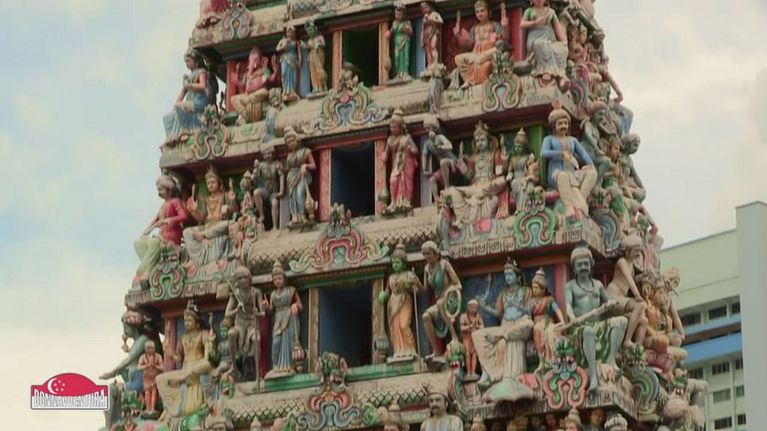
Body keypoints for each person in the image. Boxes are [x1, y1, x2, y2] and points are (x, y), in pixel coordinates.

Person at [564, 246, 627, 391]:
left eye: (586, 264)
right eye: (580, 265)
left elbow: (609, 300)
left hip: (597, 324)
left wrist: (610, 303)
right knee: (588, 331)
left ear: (591, 265)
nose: (583, 267)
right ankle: (593, 375)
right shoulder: (570, 286)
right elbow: (568, 305)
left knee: (621, 321)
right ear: (574, 267)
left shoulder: (598, 285)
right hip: (580, 327)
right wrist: (572, 317)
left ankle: (611, 360)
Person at [472, 259, 534, 402]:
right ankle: (489, 372)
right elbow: (498, 313)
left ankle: (502, 337)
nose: (507, 277)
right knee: (477, 335)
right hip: (505, 326)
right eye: (506, 274)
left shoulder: (526, 291)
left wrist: (518, 306)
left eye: (510, 274)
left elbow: (530, 311)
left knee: (527, 325)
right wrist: (485, 307)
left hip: (520, 324)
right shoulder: (503, 293)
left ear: (518, 276)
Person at [156, 301, 214, 418]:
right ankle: (171, 407)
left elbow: (207, 360)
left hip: (197, 369)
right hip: (184, 371)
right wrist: (170, 353)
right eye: (185, 320)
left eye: (189, 320)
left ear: (197, 323)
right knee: (159, 379)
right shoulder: (182, 338)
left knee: (195, 370)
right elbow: (178, 358)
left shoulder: (204, 334)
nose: (186, 323)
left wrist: (210, 344)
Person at [540, 108, 597, 218]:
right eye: (560, 123)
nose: (563, 126)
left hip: (572, 173)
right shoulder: (549, 139)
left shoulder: (572, 140)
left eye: (565, 123)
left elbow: (584, 155)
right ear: (554, 126)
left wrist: (591, 166)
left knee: (592, 173)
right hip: (557, 174)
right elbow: (544, 153)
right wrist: (561, 153)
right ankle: (578, 206)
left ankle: (579, 202)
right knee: (564, 176)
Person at [134, 175, 188, 287]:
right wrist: (146, 231)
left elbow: (184, 216)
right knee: (139, 243)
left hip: (171, 237)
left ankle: (147, 271)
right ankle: (150, 266)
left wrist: (170, 220)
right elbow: (154, 221)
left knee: (154, 242)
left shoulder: (175, 202)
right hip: (161, 237)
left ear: (169, 190)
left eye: (161, 189)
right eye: (158, 189)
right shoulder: (163, 205)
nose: (159, 192)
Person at [183, 166, 237, 271]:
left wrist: (233, 200)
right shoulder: (206, 199)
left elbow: (234, 210)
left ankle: (203, 235)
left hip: (220, 225)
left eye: (213, 182)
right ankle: (197, 259)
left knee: (229, 223)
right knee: (186, 232)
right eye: (208, 183)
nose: (210, 185)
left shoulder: (224, 195)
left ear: (219, 183)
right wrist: (193, 210)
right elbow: (202, 217)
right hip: (207, 226)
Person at [379, 243, 424, 360]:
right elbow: (387, 290)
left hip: (404, 300)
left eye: (397, 262)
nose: (395, 265)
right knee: (395, 327)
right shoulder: (391, 277)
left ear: (403, 264)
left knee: (404, 325)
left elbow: (419, 289)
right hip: (393, 302)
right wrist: (383, 295)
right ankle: (398, 351)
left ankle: (410, 349)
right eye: (393, 263)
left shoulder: (409, 275)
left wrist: (412, 286)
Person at [421, 240, 462, 359]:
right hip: (439, 302)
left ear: (435, 253)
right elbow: (424, 289)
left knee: (439, 304)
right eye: (424, 254)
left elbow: (458, 284)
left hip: (450, 299)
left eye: (428, 253)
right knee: (425, 316)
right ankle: (436, 350)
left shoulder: (444, 265)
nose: (426, 256)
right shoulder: (426, 269)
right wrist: (415, 283)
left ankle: (454, 336)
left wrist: (449, 292)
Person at [453, 0, 509, 86]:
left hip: (489, 52)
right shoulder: (474, 28)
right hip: (476, 54)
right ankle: (468, 80)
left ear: (489, 12)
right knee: (458, 59)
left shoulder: (494, 24)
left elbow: (505, 38)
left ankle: (478, 65)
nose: (480, 14)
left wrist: (505, 26)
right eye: (477, 12)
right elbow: (468, 45)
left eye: (482, 11)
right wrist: (458, 35)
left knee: (486, 61)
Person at [606, 235, 648, 348]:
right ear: (627, 251)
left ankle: (636, 349)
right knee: (641, 305)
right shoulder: (622, 262)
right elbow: (629, 279)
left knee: (644, 321)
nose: (638, 254)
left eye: (639, 251)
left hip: (622, 299)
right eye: (636, 250)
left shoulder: (631, 264)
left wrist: (644, 276)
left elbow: (632, 279)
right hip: (613, 296)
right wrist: (637, 295)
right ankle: (627, 340)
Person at [263, 261, 304, 378]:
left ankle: (291, 365)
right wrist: (266, 307)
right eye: (275, 279)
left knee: (291, 341)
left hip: (290, 317)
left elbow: (300, 305)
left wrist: (295, 305)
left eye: (279, 278)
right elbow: (271, 310)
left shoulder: (291, 290)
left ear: (284, 278)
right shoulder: (273, 294)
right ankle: (276, 365)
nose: (277, 281)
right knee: (276, 342)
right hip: (278, 319)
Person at [225, 266, 265, 381]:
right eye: (239, 278)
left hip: (252, 323)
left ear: (249, 278)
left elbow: (263, 313)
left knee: (256, 339)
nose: (242, 281)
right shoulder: (236, 294)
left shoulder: (256, 292)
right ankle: (234, 366)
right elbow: (227, 313)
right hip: (240, 324)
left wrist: (257, 313)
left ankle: (258, 372)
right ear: (236, 281)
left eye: (245, 277)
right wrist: (236, 310)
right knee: (231, 334)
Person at [163, 49, 209, 147]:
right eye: (186, 62)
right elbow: (183, 92)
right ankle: (172, 137)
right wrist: (175, 105)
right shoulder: (188, 76)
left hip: (199, 100)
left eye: (189, 61)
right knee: (168, 117)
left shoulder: (201, 72)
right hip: (190, 102)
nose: (187, 64)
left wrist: (189, 85)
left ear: (196, 61)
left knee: (180, 107)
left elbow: (203, 86)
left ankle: (185, 131)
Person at [520, 0, 568, 81]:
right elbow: (522, 24)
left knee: (562, 49)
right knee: (539, 44)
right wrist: (535, 23)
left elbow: (557, 28)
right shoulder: (529, 11)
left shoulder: (551, 12)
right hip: (535, 38)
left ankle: (557, 71)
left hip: (549, 40)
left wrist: (563, 41)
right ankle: (545, 70)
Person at [381, 109, 418, 212]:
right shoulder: (390, 139)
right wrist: (384, 155)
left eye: (395, 127)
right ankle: (393, 201)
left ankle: (407, 201)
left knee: (407, 182)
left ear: (400, 128)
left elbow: (416, 150)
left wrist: (410, 149)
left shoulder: (407, 138)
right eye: (391, 127)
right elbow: (386, 151)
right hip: (396, 163)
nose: (392, 129)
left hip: (406, 162)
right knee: (393, 180)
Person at [230, 46, 278, 123]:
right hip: (248, 96)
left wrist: (275, 71)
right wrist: (237, 74)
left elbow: (271, 79)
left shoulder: (264, 70)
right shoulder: (247, 74)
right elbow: (242, 84)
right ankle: (245, 114)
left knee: (264, 92)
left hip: (259, 94)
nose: (253, 62)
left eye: (256, 60)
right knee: (233, 99)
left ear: (261, 60)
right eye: (251, 60)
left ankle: (248, 104)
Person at [529, 268, 564, 370]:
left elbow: (557, 310)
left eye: (536, 288)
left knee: (550, 332)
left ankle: (553, 360)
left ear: (543, 289)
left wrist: (562, 321)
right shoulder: (531, 302)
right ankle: (542, 360)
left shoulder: (549, 300)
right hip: (536, 324)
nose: (534, 290)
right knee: (537, 329)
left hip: (547, 323)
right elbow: (527, 314)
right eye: (533, 287)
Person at [421, 115, 458, 204]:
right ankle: (437, 199)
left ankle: (447, 187)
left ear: (435, 128)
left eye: (431, 128)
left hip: (452, 162)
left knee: (443, 162)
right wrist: (424, 168)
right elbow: (424, 155)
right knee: (432, 180)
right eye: (427, 129)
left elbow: (450, 145)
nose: (429, 131)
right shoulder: (427, 143)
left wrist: (441, 147)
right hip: (443, 167)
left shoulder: (440, 137)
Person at [284, 127, 316, 225]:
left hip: (302, 174)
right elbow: (288, 168)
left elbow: (313, 165)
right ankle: (295, 217)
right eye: (288, 142)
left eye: (292, 141)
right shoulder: (289, 156)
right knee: (292, 197)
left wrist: (305, 165)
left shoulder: (305, 151)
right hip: (291, 177)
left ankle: (303, 216)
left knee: (300, 194)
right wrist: (281, 169)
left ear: (297, 140)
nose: (291, 143)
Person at [252, 146, 285, 230]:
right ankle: (261, 215)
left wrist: (281, 192)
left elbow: (281, 176)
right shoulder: (261, 165)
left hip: (274, 190)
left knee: (274, 203)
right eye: (265, 154)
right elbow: (255, 177)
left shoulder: (276, 164)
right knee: (256, 192)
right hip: (265, 189)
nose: (267, 155)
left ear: (272, 154)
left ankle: (275, 226)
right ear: (263, 155)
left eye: (269, 153)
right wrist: (255, 168)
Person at [386, 5, 413, 80]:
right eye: (396, 14)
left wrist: (407, 30)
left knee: (405, 56)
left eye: (399, 14)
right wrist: (388, 33)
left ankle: (405, 72)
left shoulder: (407, 22)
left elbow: (411, 32)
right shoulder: (394, 23)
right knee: (397, 58)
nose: (397, 16)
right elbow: (391, 31)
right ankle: (398, 73)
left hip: (405, 40)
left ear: (403, 15)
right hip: (397, 42)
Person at [137, 340, 164, 415]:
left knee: (154, 392)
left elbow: (162, 367)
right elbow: (138, 367)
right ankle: (147, 409)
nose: (150, 350)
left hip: (155, 378)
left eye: (151, 348)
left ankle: (152, 409)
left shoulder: (158, 356)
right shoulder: (143, 357)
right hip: (146, 378)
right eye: (148, 348)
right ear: (145, 349)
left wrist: (155, 366)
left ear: (154, 348)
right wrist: (147, 365)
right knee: (147, 392)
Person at [276, 26, 302, 101]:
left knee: (293, 75)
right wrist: (283, 47)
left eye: (291, 32)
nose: (290, 33)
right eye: (288, 32)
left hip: (293, 58)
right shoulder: (283, 40)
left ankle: (292, 91)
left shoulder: (296, 42)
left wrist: (300, 61)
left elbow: (299, 52)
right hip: (285, 58)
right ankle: (285, 91)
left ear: (294, 33)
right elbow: (277, 48)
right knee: (284, 73)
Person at [460, 300, 484, 377]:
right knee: (467, 354)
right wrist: (469, 327)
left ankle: (473, 372)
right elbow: (461, 328)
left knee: (474, 354)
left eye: (475, 308)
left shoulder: (478, 317)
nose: (473, 309)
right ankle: (468, 372)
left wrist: (477, 326)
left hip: (475, 339)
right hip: (467, 338)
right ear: (468, 307)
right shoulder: (464, 316)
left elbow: (482, 327)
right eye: (471, 307)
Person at [419, 2, 443, 74]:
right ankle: (430, 65)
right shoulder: (424, 17)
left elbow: (441, 21)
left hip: (434, 32)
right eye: (423, 9)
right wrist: (421, 38)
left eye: (426, 7)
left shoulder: (435, 14)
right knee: (428, 50)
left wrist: (431, 20)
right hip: (427, 34)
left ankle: (435, 63)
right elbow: (423, 28)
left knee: (433, 47)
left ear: (430, 6)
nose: (425, 10)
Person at [305, 20, 328, 94]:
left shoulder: (320, 37)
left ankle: (322, 86)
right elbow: (307, 47)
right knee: (313, 71)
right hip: (312, 55)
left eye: (310, 30)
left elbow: (323, 44)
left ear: (315, 29)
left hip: (319, 53)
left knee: (319, 69)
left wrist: (319, 44)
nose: (309, 32)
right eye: (308, 31)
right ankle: (315, 87)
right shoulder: (309, 40)